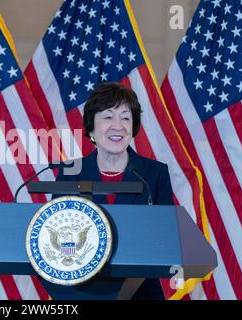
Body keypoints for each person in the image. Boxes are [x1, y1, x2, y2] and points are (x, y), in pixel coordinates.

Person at [54, 82, 174, 300]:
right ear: (91, 127)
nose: (118, 125)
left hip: (142, 293)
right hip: (82, 293)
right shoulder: (70, 173)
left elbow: (168, 236)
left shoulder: (155, 174)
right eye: (108, 117)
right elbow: (54, 232)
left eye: (126, 117)